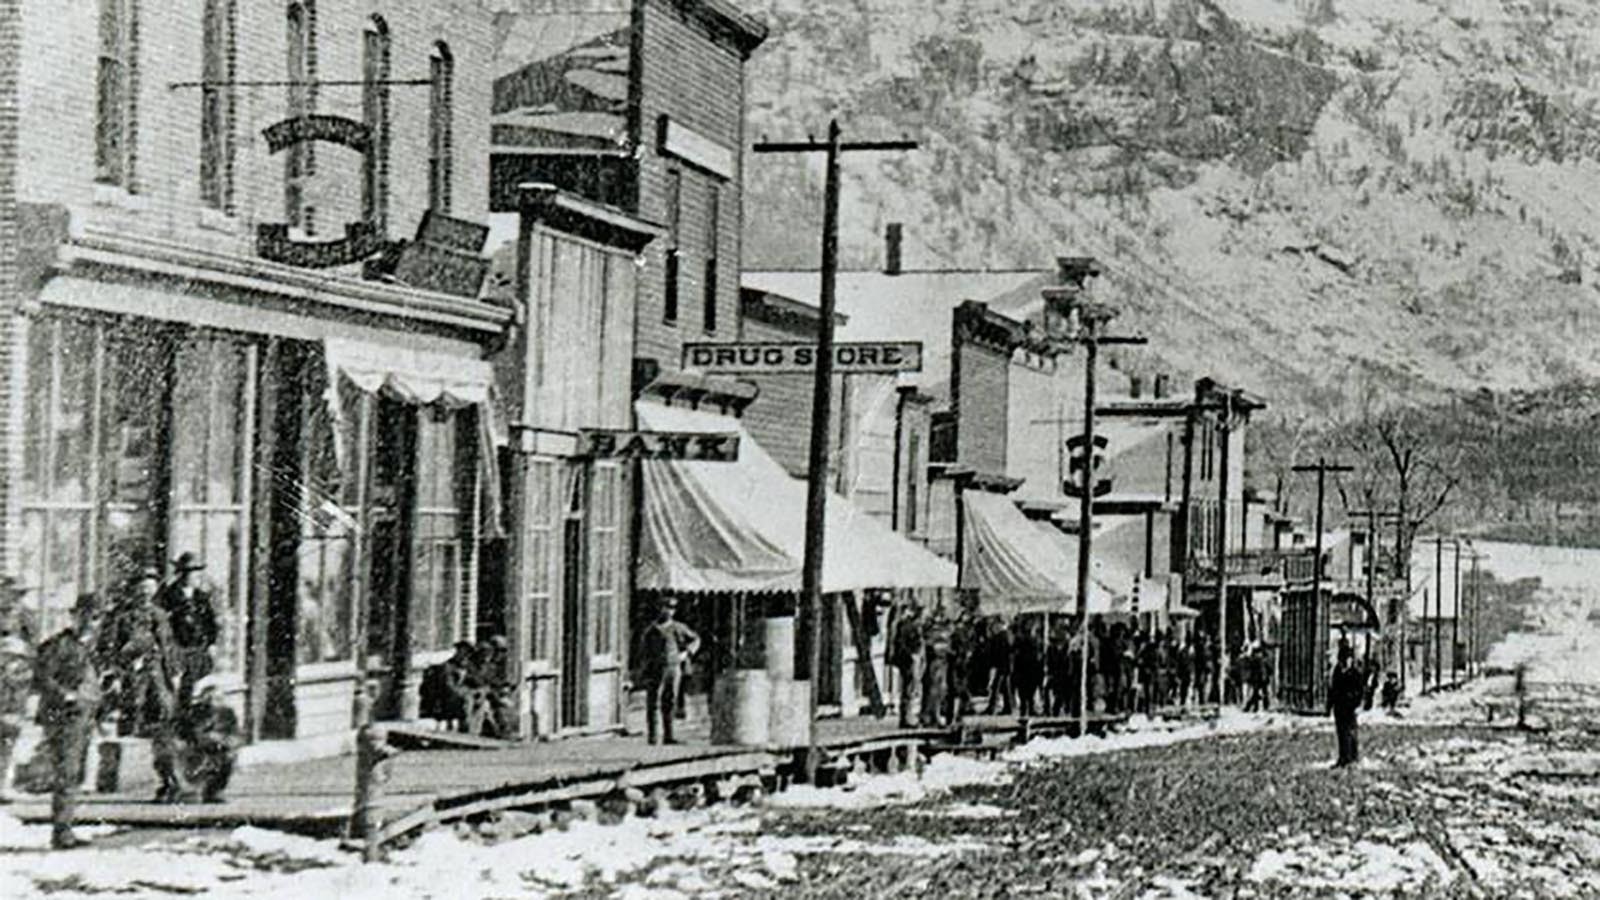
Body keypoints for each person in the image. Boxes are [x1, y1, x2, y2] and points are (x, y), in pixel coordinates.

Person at [34, 592, 105, 849]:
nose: (91, 623)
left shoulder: (94, 646)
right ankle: (61, 832)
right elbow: (41, 677)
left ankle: (66, 827)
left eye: (96, 618)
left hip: (85, 716)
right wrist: (65, 694)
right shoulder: (58, 645)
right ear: (76, 617)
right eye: (86, 616)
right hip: (64, 717)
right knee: (67, 773)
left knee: (75, 774)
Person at [107, 569, 178, 739]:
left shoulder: (160, 615)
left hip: (156, 670)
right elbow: (115, 646)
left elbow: (167, 645)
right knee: (133, 707)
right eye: (142, 587)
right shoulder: (123, 616)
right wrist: (119, 671)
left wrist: (173, 672)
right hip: (132, 671)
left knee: (162, 706)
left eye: (150, 588)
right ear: (135, 589)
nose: (146, 592)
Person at [157, 553, 218, 707]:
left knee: (194, 689)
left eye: (198, 572)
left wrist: (212, 643)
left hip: (197, 649)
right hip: (177, 650)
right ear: (183, 573)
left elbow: (210, 622)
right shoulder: (169, 595)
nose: (197, 576)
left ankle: (189, 720)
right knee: (177, 690)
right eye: (193, 572)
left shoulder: (201, 597)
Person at [638, 595, 699, 745]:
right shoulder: (651, 630)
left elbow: (696, 639)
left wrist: (687, 653)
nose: (669, 611)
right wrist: (644, 668)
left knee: (670, 701)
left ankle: (669, 735)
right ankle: (652, 736)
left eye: (672, 608)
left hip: (673, 668)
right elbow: (643, 651)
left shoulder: (678, 628)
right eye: (666, 607)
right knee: (653, 702)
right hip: (655, 669)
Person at [176, 685, 240, 803]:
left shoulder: (228, 714)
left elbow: (235, 736)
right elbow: (182, 734)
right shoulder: (192, 713)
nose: (212, 702)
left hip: (218, 750)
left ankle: (215, 790)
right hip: (196, 750)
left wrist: (220, 739)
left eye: (216, 698)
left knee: (229, 756)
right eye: (208, 698)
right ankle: (190, 789)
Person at [1328, 645, 1367, 767]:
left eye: (1347, 659)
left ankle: (1352, 757)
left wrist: (1356, 703)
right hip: (1339, 707)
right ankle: (1343, 757)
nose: (1345, 662)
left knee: (1351, 732)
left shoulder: (1355, 673)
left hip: (1350, 707)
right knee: (1341, 732)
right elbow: (1333, 689)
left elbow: (1360, 690)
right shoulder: (1337, 671)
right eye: (1343, 659)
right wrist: (1329, 706)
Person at [889, 603, 923, 728]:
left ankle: (905, 717)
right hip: (909, 660)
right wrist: (913, 655)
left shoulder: (901, 624)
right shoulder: (910, 626)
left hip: (904, 659)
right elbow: (912, 644)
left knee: (907, 689)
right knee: (909, 689)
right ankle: (906, 718)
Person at [920, 609, 952, 728]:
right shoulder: (935, 634)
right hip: (936, 663)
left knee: (938, 691)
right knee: (934, 691)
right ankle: (932, 716)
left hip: (939, 663)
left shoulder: (935, 633)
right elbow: (938, 648)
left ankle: (930, 716)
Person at [983, 617, 1013, 716]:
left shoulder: (1001, 636)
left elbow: (998, 652)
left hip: (1002, 665)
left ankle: (992, 708)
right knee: (1005, 688)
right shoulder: (1008, 636)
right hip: (1005, 666)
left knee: (996, 687)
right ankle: (1008, 707)